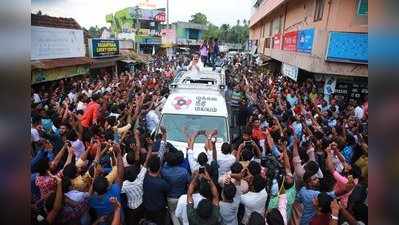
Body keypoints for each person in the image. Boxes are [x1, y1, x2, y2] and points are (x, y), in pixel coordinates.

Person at [143, 155, 170, 225]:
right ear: (159, 168)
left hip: (147, 209)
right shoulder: (162, 183)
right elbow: (168, 190)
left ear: (149, 168)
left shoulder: (144, 178)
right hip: (159, 212)